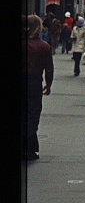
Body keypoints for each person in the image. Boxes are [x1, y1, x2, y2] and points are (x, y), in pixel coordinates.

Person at [22, 15, 54, 161]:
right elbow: (49, 68)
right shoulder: (44, 46)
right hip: (34, 82)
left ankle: (29, 147)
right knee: (33, 115)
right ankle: (30, 147)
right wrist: (48, 84)